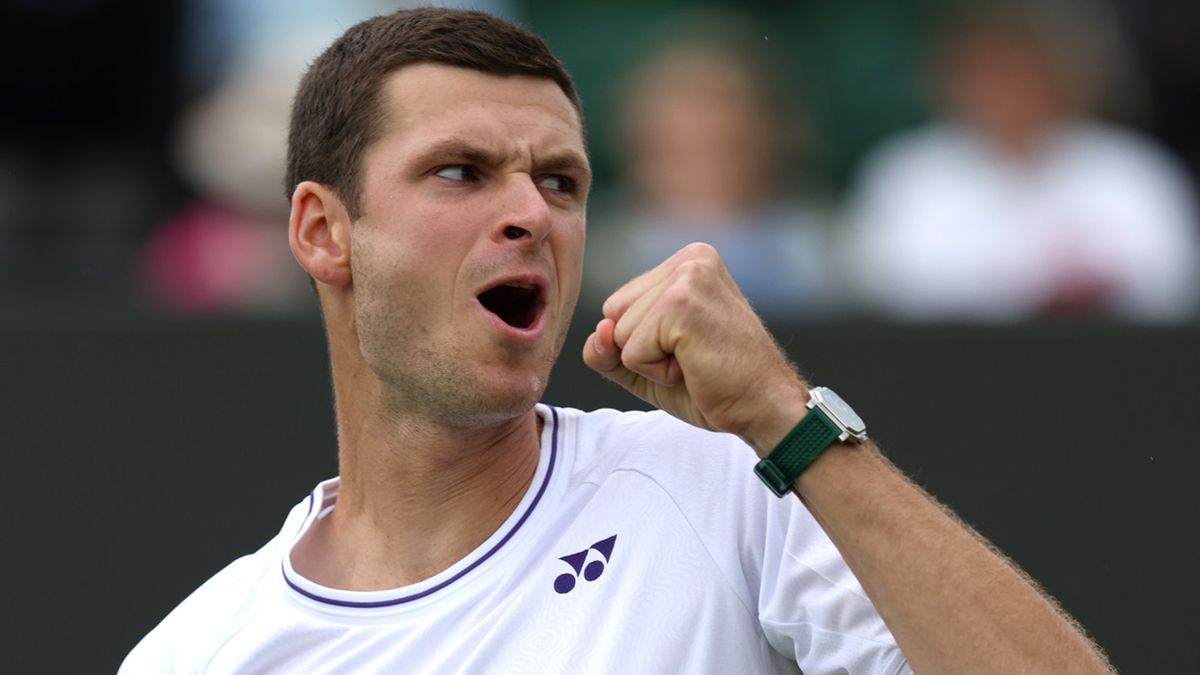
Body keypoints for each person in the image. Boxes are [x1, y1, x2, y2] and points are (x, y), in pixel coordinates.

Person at [120, 8, 1113, 674]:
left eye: (560, 182)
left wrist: (785, 421)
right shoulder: (198, 652)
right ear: (321, 232)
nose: (530, 215)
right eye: (460, 172)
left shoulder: (729, 484)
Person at [847, 2, 1199, 322]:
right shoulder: (905, 174)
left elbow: (1171, 284)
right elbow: (884, 288)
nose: (1000, 90)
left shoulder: (1130, 169)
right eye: (981, 72)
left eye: (1015, 70)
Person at [584, 11, 836, 317]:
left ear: (772, 128)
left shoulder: (832, 254)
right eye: (683, 108)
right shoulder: (590, 259)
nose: (707, 128)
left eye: (722, 103)